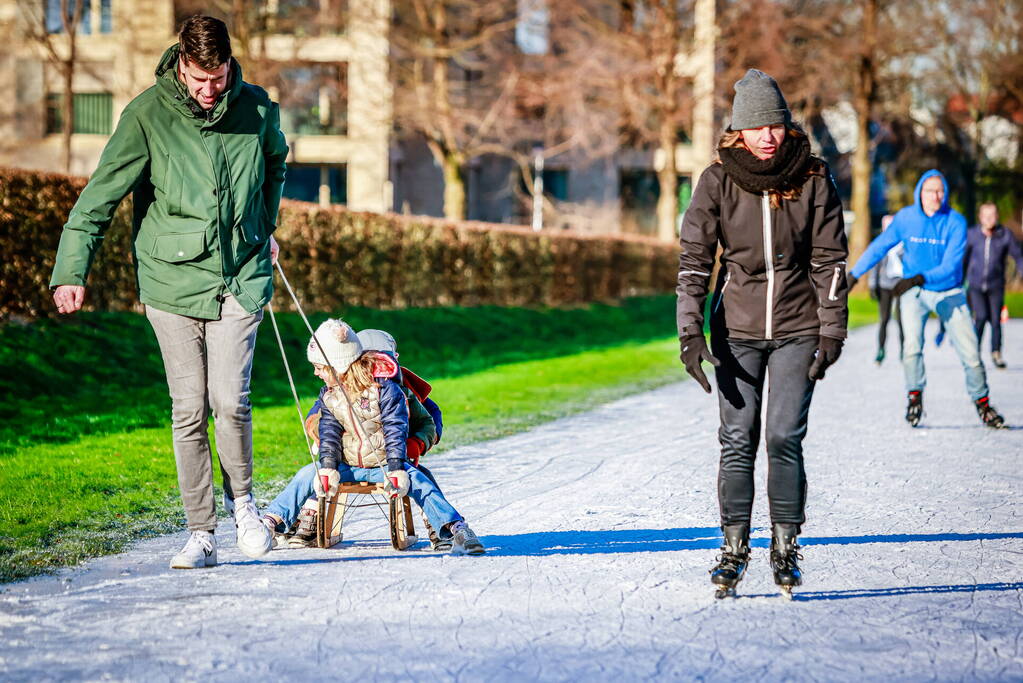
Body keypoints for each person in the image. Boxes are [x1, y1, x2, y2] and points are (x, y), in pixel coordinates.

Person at [49, 15, 288, 569]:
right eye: (199, 79)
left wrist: (265, 225)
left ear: (229, 63)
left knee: (231, 401)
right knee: (189, 409)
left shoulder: (257, 109)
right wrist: (71, 271)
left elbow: (275, 164)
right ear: (181, 63)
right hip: (170, 278)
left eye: (219, 77)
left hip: (241, 273)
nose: (209, 91)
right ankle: (200, 531)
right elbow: (99, 198)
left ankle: (245, 506)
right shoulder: (147, 116)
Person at [676, 69, 849, 598]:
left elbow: (830, 259)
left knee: (782, 437)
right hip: (738, 329)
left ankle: (784, 544)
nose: (767, 136)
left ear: (786, 126)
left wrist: (832, 331)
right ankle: (733, 547)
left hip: (799, 326)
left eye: (775, 125)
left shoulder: (813, 178)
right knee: (737, 437)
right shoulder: (717, 181)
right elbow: (695, 260)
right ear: (738, 132)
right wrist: (690, 331)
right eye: (756, 127)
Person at [261, 319, 485, 556]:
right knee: (307, 474)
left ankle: (456, 528)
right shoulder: (330, 394)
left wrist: (401, 463)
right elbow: (327, 431)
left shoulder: (388, 390)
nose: (315, 373)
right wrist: (327, 466)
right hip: (347, 465)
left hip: (386, 465)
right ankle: (269, 524)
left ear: (337, 364)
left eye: (319, 367)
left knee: (419, 479)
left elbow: (397, 427)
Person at [848, 171, 1005, 429]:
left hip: (948, 291)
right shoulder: (906, 218)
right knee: (911, 347)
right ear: (919, 192)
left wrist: (918, 277)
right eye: (930, 191)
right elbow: (880, 246)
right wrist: (854, 274)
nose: (935, 196)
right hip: (915, 293)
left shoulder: (955, 222)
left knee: (970, 352)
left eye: (940, 190)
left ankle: (983, 403)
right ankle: (915, 397)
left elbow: (952, 266)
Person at [964, 203, 1023, 369]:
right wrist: (958, 279)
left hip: (996, 285)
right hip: (975, 284)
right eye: (986, 216)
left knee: (996, 320)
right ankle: (973, 353)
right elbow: (963, 258)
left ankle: (996, 353)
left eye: (992, 215)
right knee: (981, 317)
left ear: (997, 217)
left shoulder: (1005, 235)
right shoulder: (972, 234)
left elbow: (1018, 256)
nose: (989, 219)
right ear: (980, 217)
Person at [868, 214, 904, 365]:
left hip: (902, 284)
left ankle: (904, 350)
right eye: (886, 226)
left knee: (903, 320)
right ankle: (881, 350)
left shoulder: (904, 243)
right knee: (884, 319)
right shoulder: (880, 244)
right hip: (884, 285)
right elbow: (873, 266)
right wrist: (872, 285)